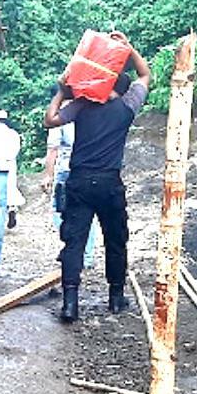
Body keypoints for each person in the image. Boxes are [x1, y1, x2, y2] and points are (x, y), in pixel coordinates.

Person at [43, 31, 152, 322]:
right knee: (116, 240)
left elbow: (49, 120)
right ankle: (116, 299)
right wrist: (128, 48)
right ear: (121, 88)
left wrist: (63, 93)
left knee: (74, 242)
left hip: (79, 183)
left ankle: (70, 304)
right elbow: (145, 75)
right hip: (109, 183)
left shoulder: (82, 105)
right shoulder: (127, 108)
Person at [43, 115, 99, 271]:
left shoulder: (60, 118)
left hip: (66, 172)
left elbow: (53, 149)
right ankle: (86, 256)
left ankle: (73, 247)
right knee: (88, 214)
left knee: (59, 210)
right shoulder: (92, 114)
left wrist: (48, 175)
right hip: (89, 171)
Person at [0, 109, 26, 229]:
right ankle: (11, 208)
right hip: (9, 164)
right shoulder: (13, 134)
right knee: (10, 187)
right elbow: (15, 150)